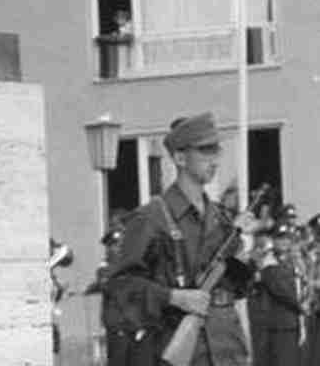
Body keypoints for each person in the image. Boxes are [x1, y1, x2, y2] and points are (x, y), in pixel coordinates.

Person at [104, 112, 256, 365]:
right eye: (205, 151)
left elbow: (239, 288)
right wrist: (173, 297)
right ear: (180, 157)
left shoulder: (221, 218)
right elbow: (120, 287)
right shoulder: (151, 218)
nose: (214, 160)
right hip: (182, 345)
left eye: (216, 151)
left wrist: (243, 262)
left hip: (227, 345)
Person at [249, 223, 306, 365]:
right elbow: (282, 291)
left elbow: (301, 285)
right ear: (273, 240)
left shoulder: (291, 261)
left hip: (291, 323)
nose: (285, 242)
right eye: (280, 238)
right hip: (278, 326)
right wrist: (302, 306)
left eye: (288, 238)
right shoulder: (270, 263)